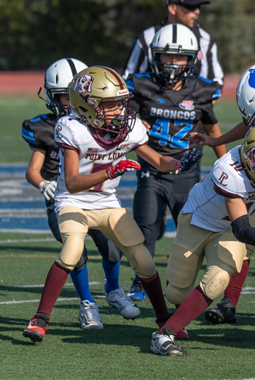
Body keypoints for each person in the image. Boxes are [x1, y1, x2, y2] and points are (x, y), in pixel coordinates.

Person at [22, 66, 203, 343]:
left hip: (107, 202)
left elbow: (157, 160)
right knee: (72, 250)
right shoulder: (72, 128)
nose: (119, 111)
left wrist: (179, 164)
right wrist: (110, 171)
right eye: (110, 105)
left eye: (121, 103)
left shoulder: (128, 130)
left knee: (143, 259)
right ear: (86, 105)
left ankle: (164, 318)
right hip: (74, 202)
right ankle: (40, 318)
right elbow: (71, 182)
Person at [150, 122, 255, 357]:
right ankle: (177, 314)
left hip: (226, 230)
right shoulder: (229, 171)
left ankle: (164, 334)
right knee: (177, 294)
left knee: (218, 278)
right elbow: (242, 229)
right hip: (197, 222)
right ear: (252, 165)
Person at [21, 58, 138, 331]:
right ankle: (87, 302)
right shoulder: (45, 128)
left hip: (97, 198)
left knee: (112, 248)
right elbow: (33, 170)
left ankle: (113, 290)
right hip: (64, 199)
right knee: (75, 254)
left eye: (71, 96)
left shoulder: (98, 123)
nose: (67, 102)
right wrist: (42, 184)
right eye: (63, 96)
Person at [123, 23, 226, 303]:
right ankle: (141, 279)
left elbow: (213, 132)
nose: (172, 62)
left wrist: (225, 165)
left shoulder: (201, 91)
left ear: (191, 60)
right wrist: (135, 125)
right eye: (167, 56)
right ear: (156, 56)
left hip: (187, 173)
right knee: (146, 228)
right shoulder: (141, 86)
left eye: (179, 57)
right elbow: (126, 127)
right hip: (152, 171)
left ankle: (183, 282)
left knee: (191, 235)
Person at [122, 0, 224, 92]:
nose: (197, 11)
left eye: (198, 7)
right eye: (190, 6)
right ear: (172, 8)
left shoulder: (205, 40)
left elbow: (217, 84)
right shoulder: (146, 38)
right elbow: (127, 80)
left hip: (192, 107)